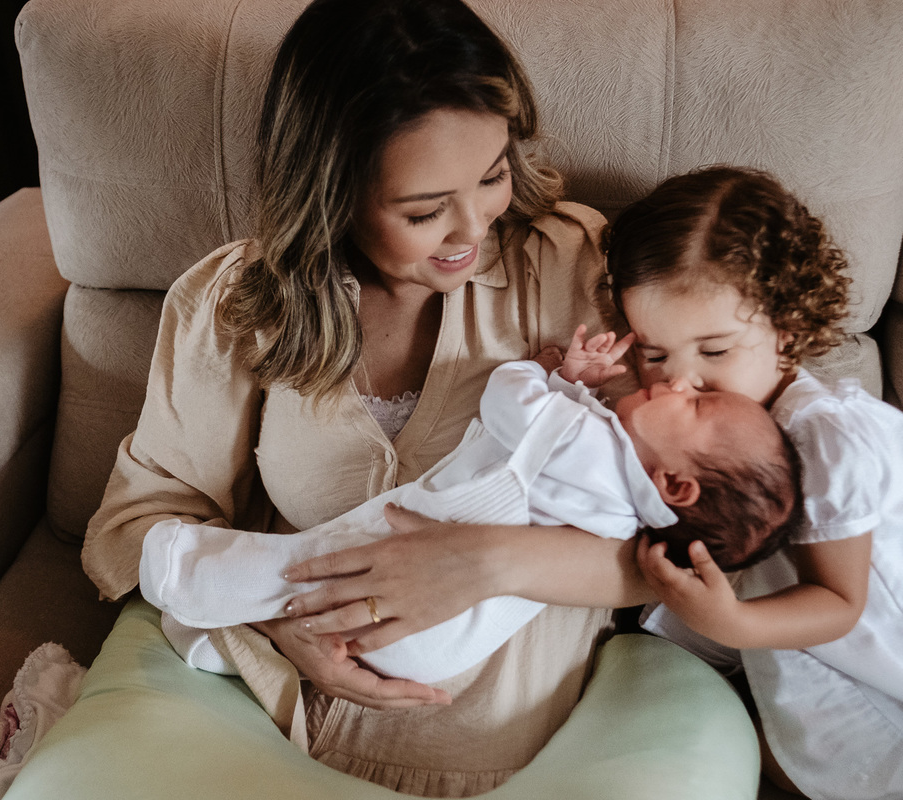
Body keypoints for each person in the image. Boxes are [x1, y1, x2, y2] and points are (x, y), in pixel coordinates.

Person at [83, 1, 658, 794]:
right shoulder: (236, 304)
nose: (472, 230)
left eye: (491, 176)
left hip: (507, 761)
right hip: (264, 727)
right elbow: (134, 524)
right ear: (333, 193)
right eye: (423, 210)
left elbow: (691, 535)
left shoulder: (575, 269)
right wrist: (284, 627)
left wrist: (486, 563)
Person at [602, 165, 903, 799]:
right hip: (812, 624)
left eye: (714, 352)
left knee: (845, 760)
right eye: (656, 355)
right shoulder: (711, 424)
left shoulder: (828, 439)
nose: (680, 382)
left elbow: (840, 603)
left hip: (894, 639)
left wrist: (732, 624)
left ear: (786, 331)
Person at [140, 325, 802, 684]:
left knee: (299, 567)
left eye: (696, 402)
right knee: (306, 593)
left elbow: (508, 402)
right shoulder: (627, 515)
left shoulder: (591, 444)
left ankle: (180, 570)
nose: (678, 378)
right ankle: (228, 650)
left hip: (414, 585)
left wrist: (552, 374)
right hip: (443, 652)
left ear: (677, 488)